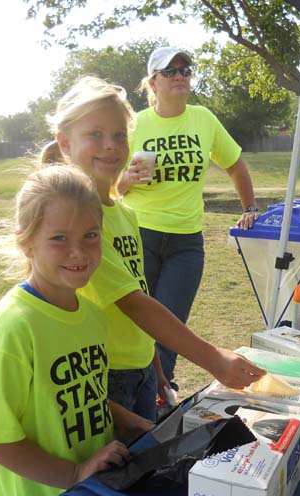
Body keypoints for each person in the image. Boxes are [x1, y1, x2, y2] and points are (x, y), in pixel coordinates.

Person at [43, 76, 264, 419]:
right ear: (64, 143)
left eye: (119, 135)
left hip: (143, 370)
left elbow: (141, 291)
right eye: (95, 134)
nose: (111, 145)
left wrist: (158, 370)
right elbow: (133, 304)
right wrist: (213, 358)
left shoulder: (126, 214)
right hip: (104, 377)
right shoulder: (79, 225)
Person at [0, 164, 155, 496]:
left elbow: (74, 392)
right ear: (26, 243)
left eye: (90, 235)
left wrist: (123, 417)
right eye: (59, 239)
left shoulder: (92, 314)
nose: (78, 252)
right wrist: (73, 473)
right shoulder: (12, 328)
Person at [117, 47, 259, 390]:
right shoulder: (135, 124)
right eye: (170, 71)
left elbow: (235, 164)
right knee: (137, 327)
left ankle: (160, 394)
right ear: (153, 82)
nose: (180, 75)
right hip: (141, 235)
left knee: (171, 327)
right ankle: (143, 397)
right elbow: (110, 186)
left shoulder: (203, 119)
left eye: (185, 69)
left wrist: (250, 207)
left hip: (186, 242)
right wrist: (128, 180)